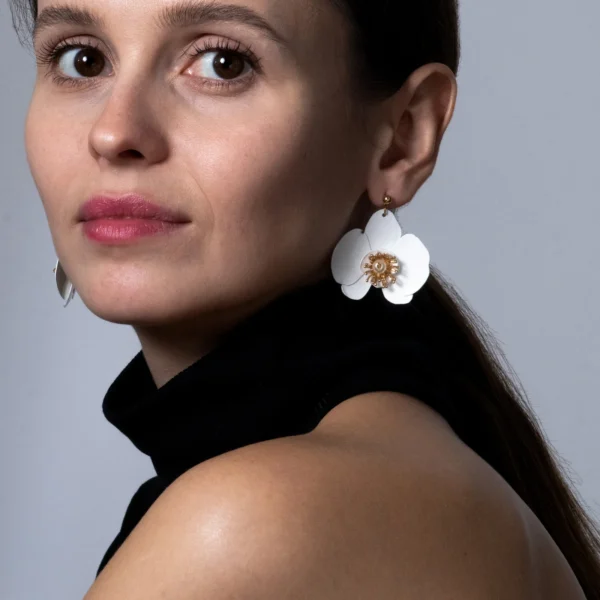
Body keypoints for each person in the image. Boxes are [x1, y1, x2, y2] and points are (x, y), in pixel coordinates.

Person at [9, 0, 599, 597]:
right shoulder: (404, 457)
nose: (113, 133)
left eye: (222, 63)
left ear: (403, 136)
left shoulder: (249, 523)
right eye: (81, 59)